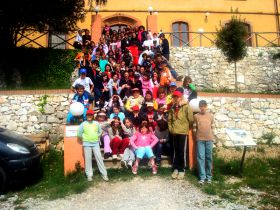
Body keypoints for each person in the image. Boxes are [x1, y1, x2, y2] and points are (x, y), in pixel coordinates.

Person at [77, 109, 109, 181]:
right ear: (86, 116)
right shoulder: (83, 124)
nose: (89, 116)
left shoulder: (96, 123)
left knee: (99, 158)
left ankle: (104, 174)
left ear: (93, 116)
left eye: (91, 115)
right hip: (86, 143)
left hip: (95, 143)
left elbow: (100, 132)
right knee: (88, 159)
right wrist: (85, 138)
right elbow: (79, 134)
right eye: (88, 115)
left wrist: (96, 136)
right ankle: (89, 175)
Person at [168, 90, 193, 180]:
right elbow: (169, 120)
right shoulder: (172, 108)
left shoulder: (186, 107)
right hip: (174, 132)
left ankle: (182, 169)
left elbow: (190, 119)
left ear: (181, 97)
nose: (175, 98)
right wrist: (171, 129)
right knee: (176, 151)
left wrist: (186, 127)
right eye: (174, 97)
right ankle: (176, 168)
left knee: (182, 151)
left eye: (177, 97)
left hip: (182, 132)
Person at [193, 100, 214, 184]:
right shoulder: (196, 116)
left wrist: (212, 137)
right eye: (201, 106)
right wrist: (197, 136)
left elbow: (212, 127)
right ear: (199, 107)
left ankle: (209, 176)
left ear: (206, 106)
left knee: (209, 158)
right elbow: (194, 128)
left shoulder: (211, 116)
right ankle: (202, 177)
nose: (202, 108)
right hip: (200, 140)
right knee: (201, 158)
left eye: (204, 106)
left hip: (209, 139)